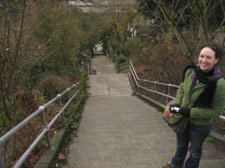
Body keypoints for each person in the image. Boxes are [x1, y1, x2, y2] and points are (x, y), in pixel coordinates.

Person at [163, 42, 225, 168]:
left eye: (208, 57)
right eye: (201, 56)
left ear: (216, 60)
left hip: (200, 125)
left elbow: (217, 111)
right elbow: (182, 87)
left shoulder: (219, 83)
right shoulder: (191, 71)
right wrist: (177, 103)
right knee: (181, 146)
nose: (203, 60)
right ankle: (175, 164)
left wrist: (190, 112)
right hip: (182, 119)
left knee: (195, 152)